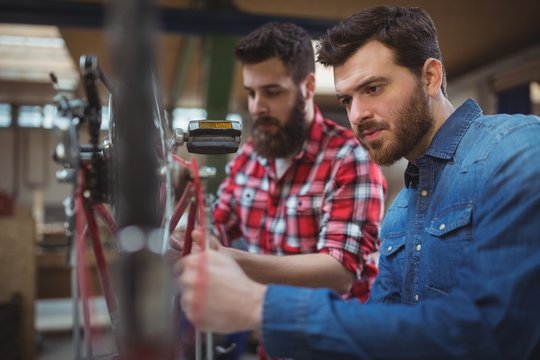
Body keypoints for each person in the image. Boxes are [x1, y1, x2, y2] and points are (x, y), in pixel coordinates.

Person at [176, 5, 540, 359]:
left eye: (373, 89)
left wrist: (259, 305)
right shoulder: (400, 214)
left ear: (430, 77)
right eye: (346, 99)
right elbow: (385, 333)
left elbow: (493, 334)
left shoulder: (514, 150)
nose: (357, 115)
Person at [172, 22, 386, 298]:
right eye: (251, 93)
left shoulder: (349, 158)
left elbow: (339, 272)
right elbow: (218, 224)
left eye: (271, 92)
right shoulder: (250, 156)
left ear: (308, 87)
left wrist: (227, 260)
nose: (256, 107)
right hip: (269, 332)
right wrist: (183, 240)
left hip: (334, 336)